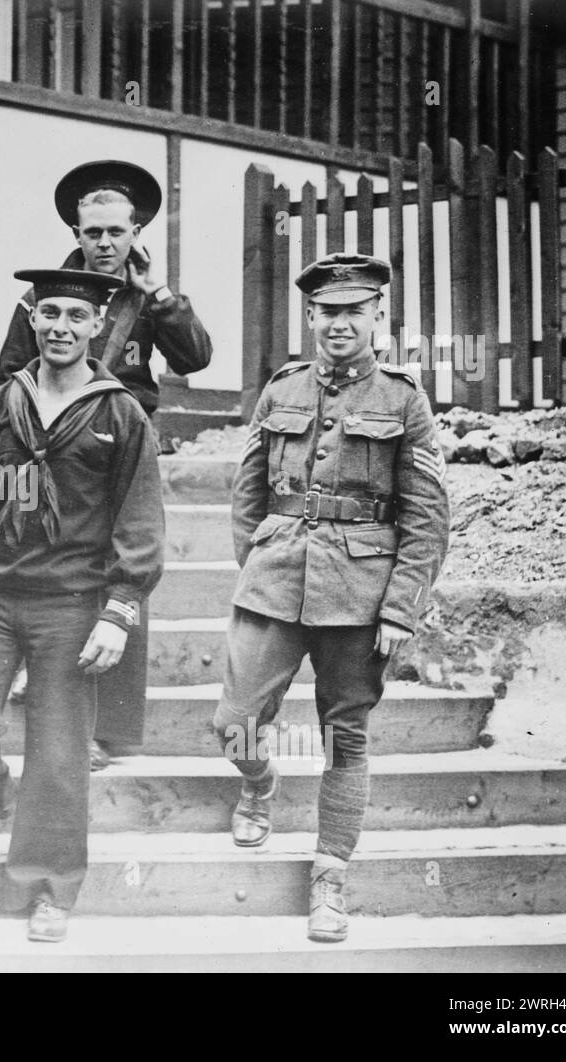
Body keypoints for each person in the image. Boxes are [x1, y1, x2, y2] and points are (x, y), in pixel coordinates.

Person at [213, 252, 449, 943]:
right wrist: (257, 565)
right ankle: (258, 783)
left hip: (361, 594)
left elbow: (427, 516)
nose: (340, 323)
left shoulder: (405, 399)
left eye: (355, 310)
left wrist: (402, 607)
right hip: (276, 578)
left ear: (379, 315)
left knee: (345, 740)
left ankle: (330, 875)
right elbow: (248, 491)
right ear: (310, 315)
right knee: (234, 721)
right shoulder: (280, 389)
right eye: (328, 311)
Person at [0, 268, 166, 943]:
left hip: (72, 602)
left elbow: (141, 519)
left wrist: (121, 608)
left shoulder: (120, 412)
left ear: (98, 328)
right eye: (49, 314)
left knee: (60, 753)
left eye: (76, 316)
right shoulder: (2, 403)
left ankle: (50, 885)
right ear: (32, 319)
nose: (61, 327)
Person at [0, 160, 213, 770]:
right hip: (50, 446)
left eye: (118, 232)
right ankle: (27, 673)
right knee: (36, 561)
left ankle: (111, 731)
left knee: (126, 569)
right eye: (93, 233)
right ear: (76, 232)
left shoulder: (147, 296)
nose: (106, 245)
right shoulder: (45, 292)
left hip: (122, 446)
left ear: (137, 230)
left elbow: (194, 357)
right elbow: (8, 374)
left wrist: (160, 296)